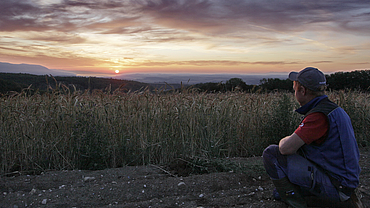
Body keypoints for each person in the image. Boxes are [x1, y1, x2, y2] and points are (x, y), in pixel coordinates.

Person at [262, 67, 363, 208]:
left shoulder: (319, 116)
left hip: (337, 186)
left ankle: (299, 204)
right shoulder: (334, 110)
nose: (294, 92)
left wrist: (284, 140)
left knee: (272, 153)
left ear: (302, 91)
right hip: (343, 181)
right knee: (280, 191)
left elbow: (286, 148)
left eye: (294, 89)